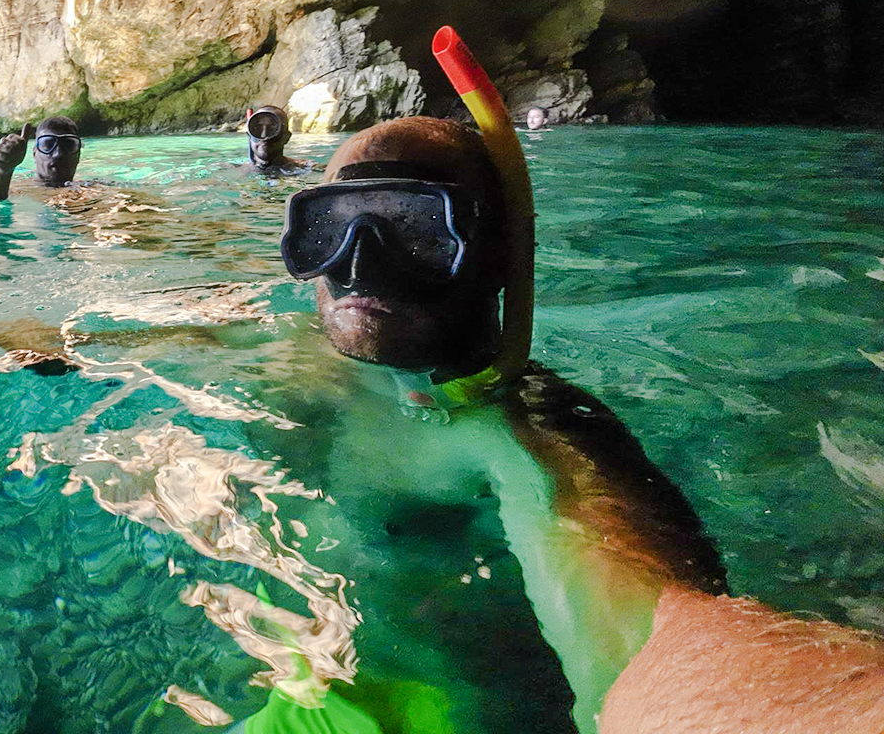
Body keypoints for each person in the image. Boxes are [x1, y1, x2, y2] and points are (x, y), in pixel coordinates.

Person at [277, 115, 884, 733]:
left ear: (501, 256)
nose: (360, 264)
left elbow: (653, 641)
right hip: (300, 678)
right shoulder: (296, 353)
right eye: (332, 225)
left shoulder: (520, 442)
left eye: (419, 228)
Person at [244, 105, 311, 175]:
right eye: (258, 128)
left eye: (272, 128)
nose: (264, 135)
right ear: (249, 135)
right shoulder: (235, 169)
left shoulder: (307, 167)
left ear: (286, 137)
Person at [0, 124, 36, 203]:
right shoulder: (20, 183)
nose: (57, 154)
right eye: (48, 145)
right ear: (35, 151)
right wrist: (3, 171)